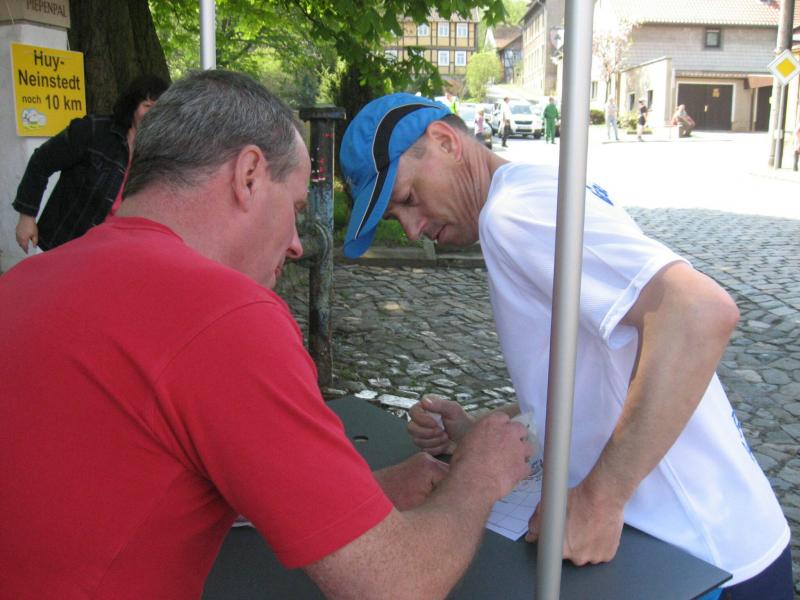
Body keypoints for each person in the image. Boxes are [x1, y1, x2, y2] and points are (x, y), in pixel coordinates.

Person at [0, 72, 534, 599]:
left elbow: (124, 474)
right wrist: (478, 476)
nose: (298, 244)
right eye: (296, 208)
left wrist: (355, 499)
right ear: (250, 175)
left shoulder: (24, 282)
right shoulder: (226, 315)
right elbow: (394, 585)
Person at [339, 92, 793, 599]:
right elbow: (596, 366)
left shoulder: (512, 214)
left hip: (698, 556)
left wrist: (601, 498)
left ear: (446, 141)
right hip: (715, 544)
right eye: (395, 218)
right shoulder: (535, 187)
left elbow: (698, 312)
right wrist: (486, 428)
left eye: (407, 199)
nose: (412, 229)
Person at [12, 74, 169, 253]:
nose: (153, 114)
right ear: (132, 106)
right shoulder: (93, 131)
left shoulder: (159, 152)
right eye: (147, 106)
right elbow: (41, 162)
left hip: (115, 248)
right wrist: (27, 217)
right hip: (70, 243)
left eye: (159, 108)